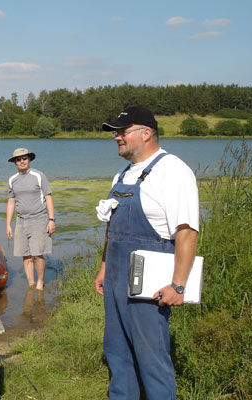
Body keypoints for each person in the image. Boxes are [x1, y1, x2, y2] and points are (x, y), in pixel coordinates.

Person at [94, 106, 199, 399]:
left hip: (149, 285)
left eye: (122, 132)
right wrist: (104, 266)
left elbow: (187, 231)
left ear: (146, 133)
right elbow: (111, 224)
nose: (116, 137)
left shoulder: (173, 170)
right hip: (115, 277)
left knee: (152, 361)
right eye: (115, 132)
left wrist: (178, 284)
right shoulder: (122, 174)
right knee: (117, 352)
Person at [5, 148, 55, 290]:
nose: (22, 161)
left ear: (29, 159)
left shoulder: (39, 175)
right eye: (19, 159)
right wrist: (8, 224)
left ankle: (40, 283)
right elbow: (11, 202)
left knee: (38, 254)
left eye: (25, 158)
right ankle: (31, 284)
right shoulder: (12, 180)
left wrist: (52, 220)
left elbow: (48, 197)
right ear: (15, 162)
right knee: (25, 255)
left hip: (39, 219)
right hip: (21, 221)